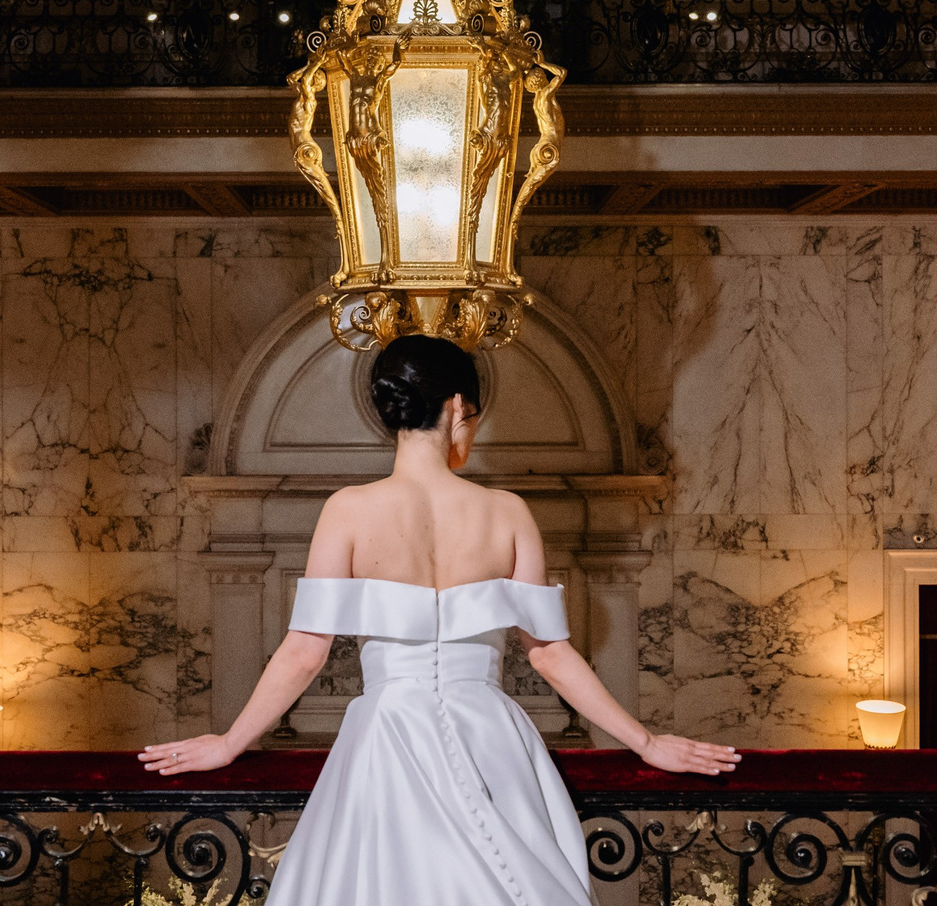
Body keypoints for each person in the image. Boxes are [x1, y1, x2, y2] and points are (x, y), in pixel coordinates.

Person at [139, 332, 737, 905]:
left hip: (387, 736)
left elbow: (304, 652)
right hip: (490, 737)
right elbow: (550, 652)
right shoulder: (507, 513)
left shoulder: (347, 511)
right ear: (456, 406)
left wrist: (229, 742)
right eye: (473, 416)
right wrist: (646, 741)